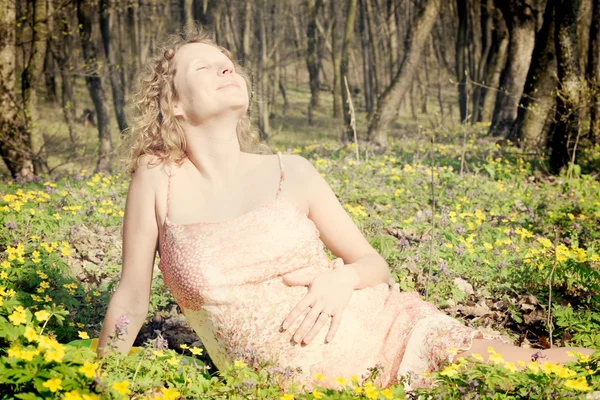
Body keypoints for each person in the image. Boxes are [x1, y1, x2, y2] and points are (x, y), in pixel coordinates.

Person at [97, 26, 594, 392]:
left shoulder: (293, 171)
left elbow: (374, 263)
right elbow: (132, 299)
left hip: (393, 336)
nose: (226, 67)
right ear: (174, 104)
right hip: (295, 386)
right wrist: (98, 382)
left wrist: (341, 281)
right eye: (203, 67)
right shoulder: (157, 178)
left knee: (532, 367)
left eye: (227, 61)